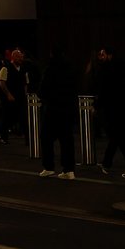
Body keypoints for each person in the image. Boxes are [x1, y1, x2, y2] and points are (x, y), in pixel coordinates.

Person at [95, 46, 125, 177]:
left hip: (112, 109)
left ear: (109, 55)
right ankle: (106, 163)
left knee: (118, 138)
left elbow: (103, 90)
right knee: (118, 138)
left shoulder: (107, 70)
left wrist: (97, 106)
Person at [37, 46, 78, 179]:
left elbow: (43, 90)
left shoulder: (50, 69)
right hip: (68, 109)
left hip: (53, 109)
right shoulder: (70, 69)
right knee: (67, 140)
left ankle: (48, 167)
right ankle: (69, 169)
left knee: (46, 137)